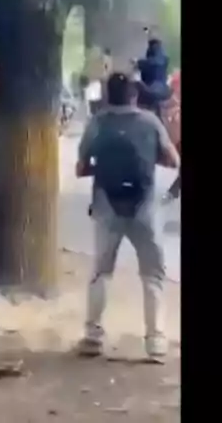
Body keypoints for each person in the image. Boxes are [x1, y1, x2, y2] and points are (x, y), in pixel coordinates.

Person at [75, 72, 179, 362]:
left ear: (108, 95)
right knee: (153, 274)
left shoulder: (97, 123)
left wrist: (101, 169)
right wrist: (149, 159)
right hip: (144, 207)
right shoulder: (149, 121)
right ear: (135, 95)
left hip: (106, 205)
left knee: (101, 272)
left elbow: (80, 168)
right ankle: (156, 341)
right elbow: (173, 160)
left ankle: (93, 338)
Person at [135, 36, 171, 119]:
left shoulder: (154, 58)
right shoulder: (162, 57)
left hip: (151, 89)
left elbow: (154, 62)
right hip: (161, 90)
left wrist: (138, 63)